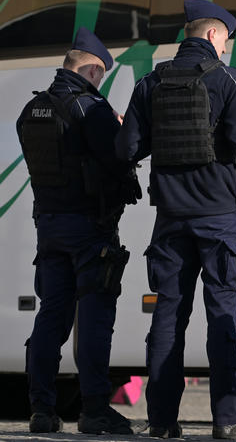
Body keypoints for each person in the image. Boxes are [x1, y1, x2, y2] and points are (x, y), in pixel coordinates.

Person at [115, 0, 236, 439]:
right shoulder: (231, 80)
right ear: (215, 36)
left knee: (167, 318)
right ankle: (228, 420)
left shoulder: (150, 82)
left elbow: (126, 150)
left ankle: (161, 421)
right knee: (222, 318)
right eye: (226, 41)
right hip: (218, 217)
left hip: (170, 220)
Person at [16, 27, 142, 434]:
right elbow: (117, 158)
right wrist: (122, 128)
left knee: (51, 315)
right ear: (90, 70)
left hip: (49, 227)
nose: (100, 82)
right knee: (93, 317)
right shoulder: (91, 108)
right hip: (90, 228)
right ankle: (94, 410)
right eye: (100, 75)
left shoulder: (30, 110)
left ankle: (41, 409)